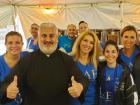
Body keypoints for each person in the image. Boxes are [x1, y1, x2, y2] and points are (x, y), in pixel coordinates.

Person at [0, 23, 89, 105]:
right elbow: (7, 82)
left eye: (51, 36)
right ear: (38, 38)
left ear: (57, 38)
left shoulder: (67, 60)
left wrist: (80, 86)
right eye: (44, 36)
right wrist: (7, 90)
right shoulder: (26, 60)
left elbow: (82, 79)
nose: (48, 39)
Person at [97, 40, 138, 105]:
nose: (110, 54)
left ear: (117, 53)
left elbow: (132, 96)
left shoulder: (125, 72)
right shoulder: (99, 70)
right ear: (103, 53)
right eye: (107, 51)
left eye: (113, 52)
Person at [70, 31, 102, 105]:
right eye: (85, 40)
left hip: (93, 102)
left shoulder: (95, 62)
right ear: (79, 41)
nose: (88, 44)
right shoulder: (70, 60)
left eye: (91, 43)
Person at [0, 31, 27, 105]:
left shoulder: (27, 57)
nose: (14, 45)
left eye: (18, 42)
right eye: (10, 43)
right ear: (5, 44)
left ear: (22, 44)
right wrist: (6, 92)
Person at [117, 25, 140, 104]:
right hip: (122, 98)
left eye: (132, 37)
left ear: (136, 39)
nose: (128, 40)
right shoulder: (116, 55)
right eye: (126, 36)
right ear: (121, 37)